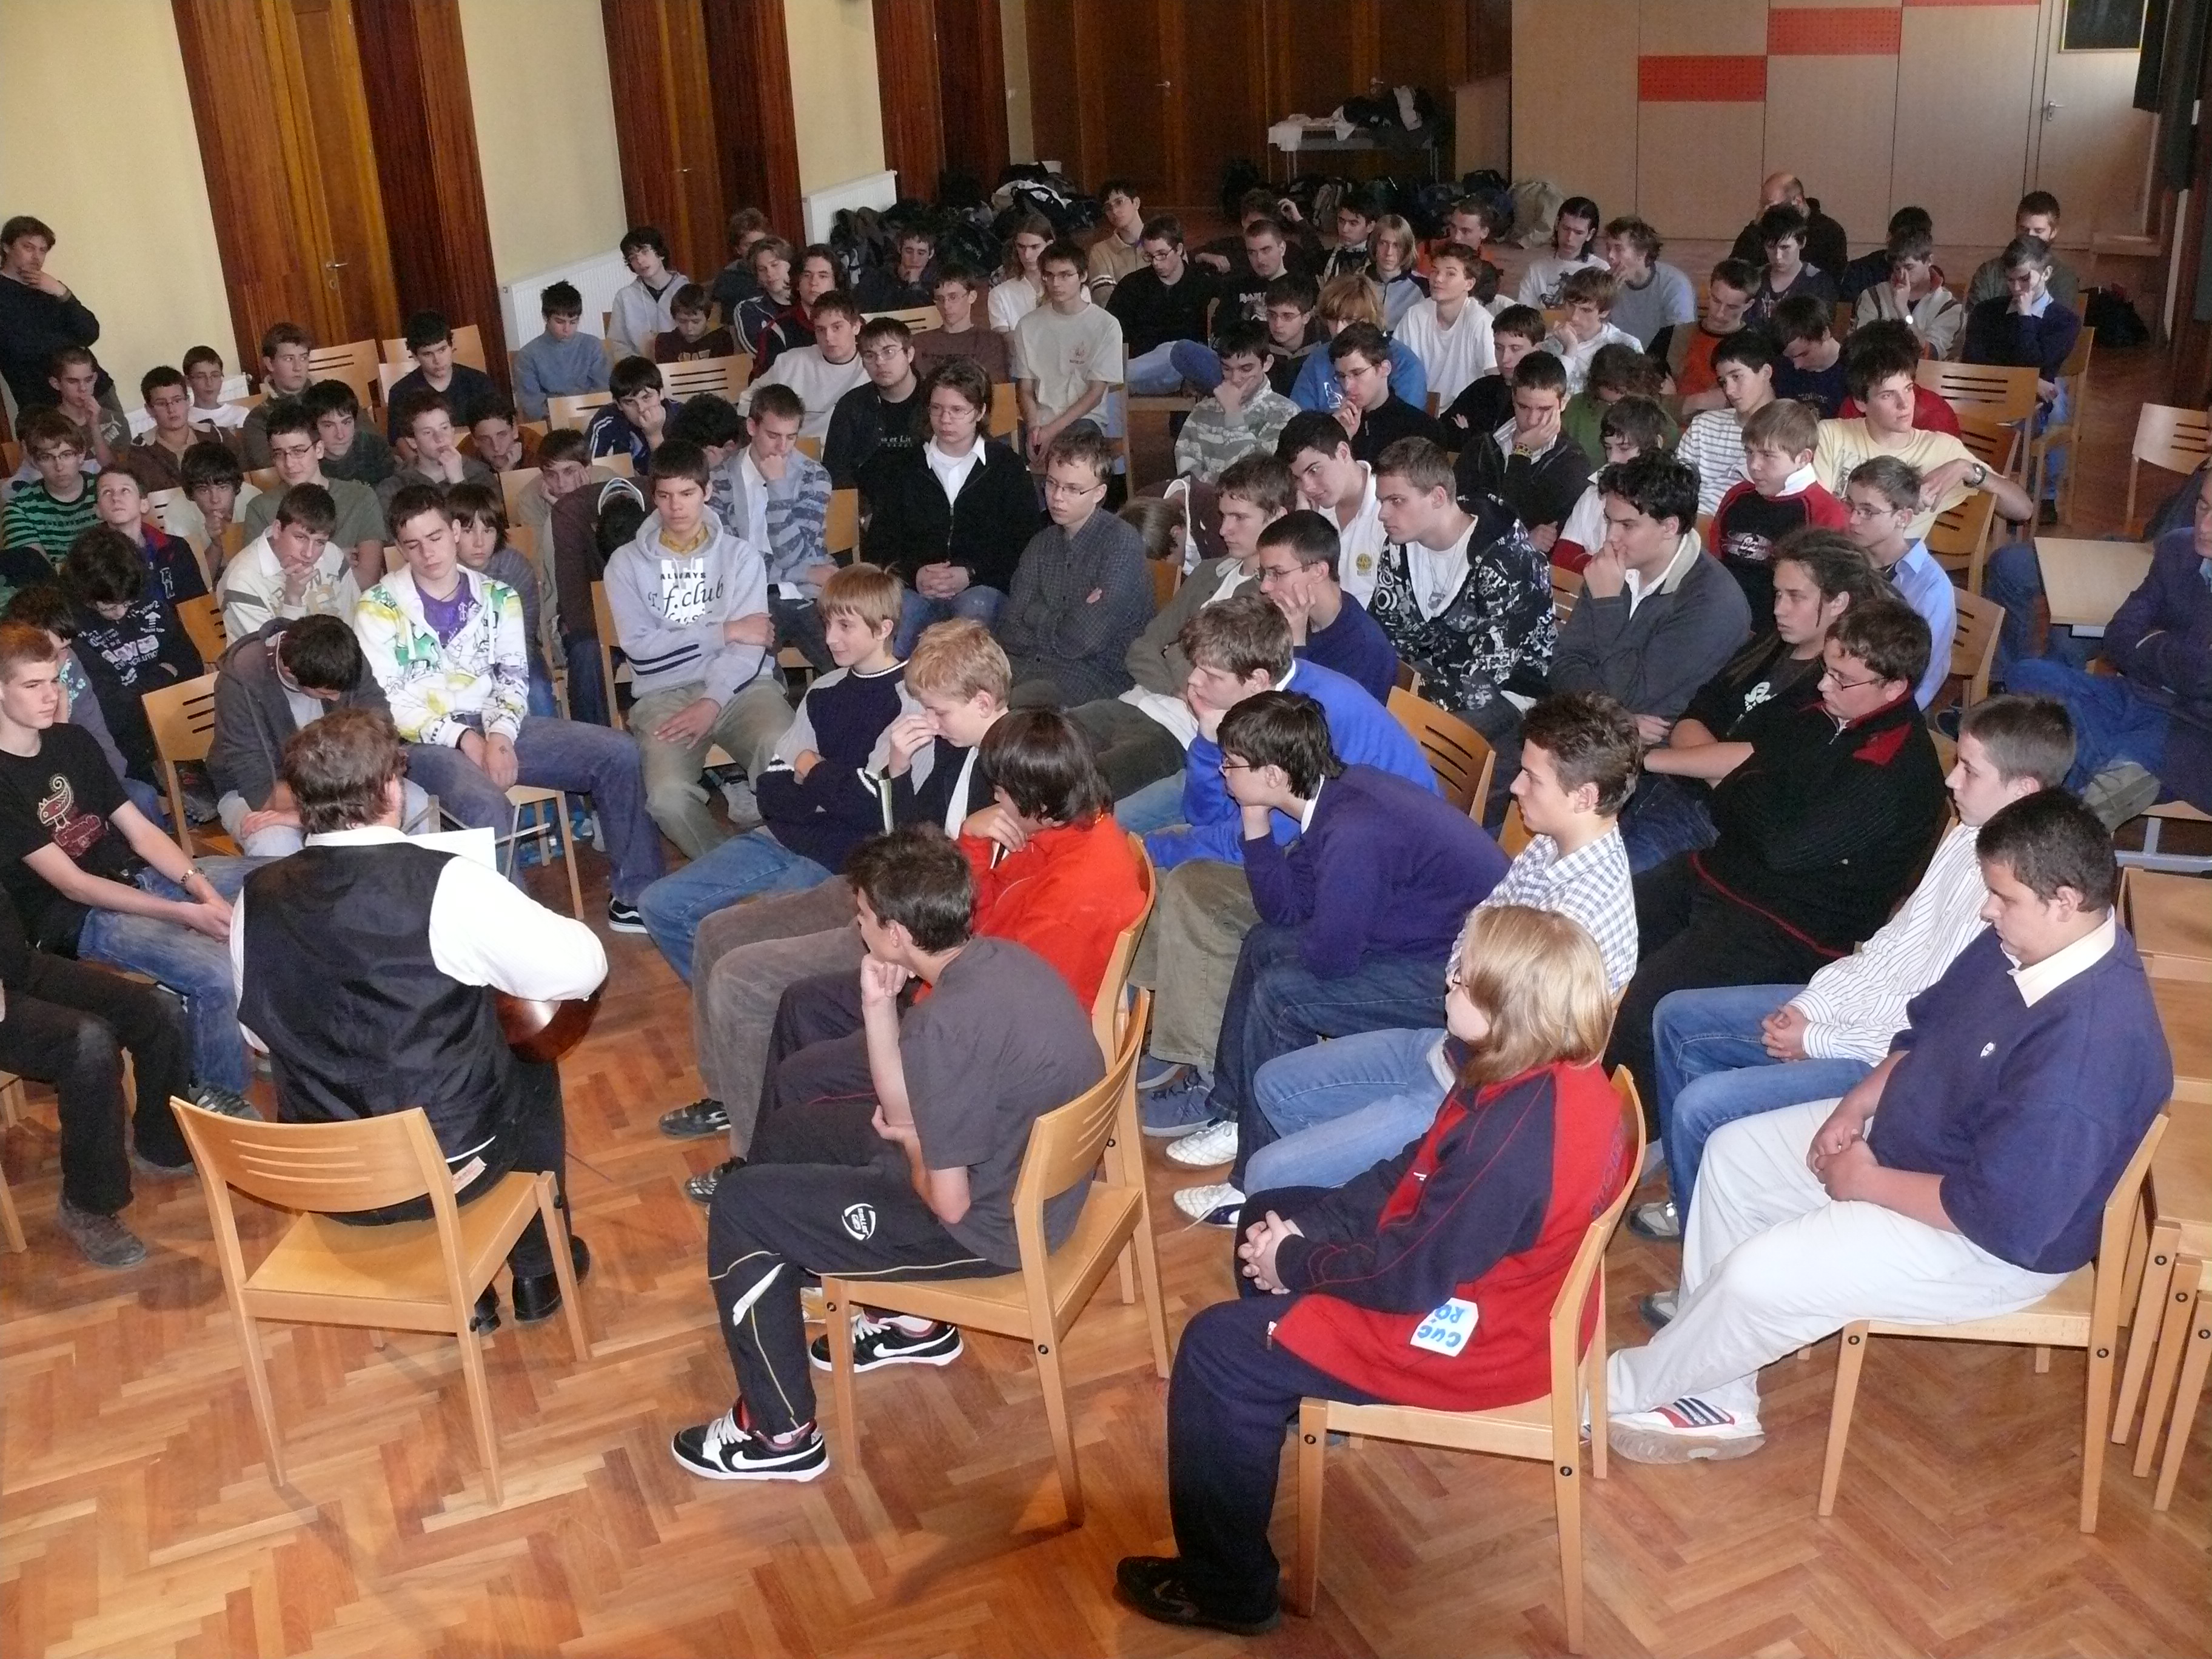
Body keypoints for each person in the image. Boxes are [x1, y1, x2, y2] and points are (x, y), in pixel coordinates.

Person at [1606, 790, 2168, 1464]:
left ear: (2065, 900)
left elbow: (2003, 1216)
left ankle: (1607, 1393)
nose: (1987, 910)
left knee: (1757, 1277)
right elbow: (1923, 1032)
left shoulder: (2090, 1048)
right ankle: (1716, 1396)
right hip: (1907, 1151)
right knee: (1734, 1155)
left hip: (1979, 1242)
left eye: (2002, 897)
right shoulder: (2025, 945)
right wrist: (1854, 1107)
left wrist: (1867, 1182)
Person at [1114, 902, 1630, 1637]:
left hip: (1480, 1339)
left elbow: (1406, 1279)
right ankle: (1285, 1394)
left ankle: (1228, 1590)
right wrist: (1304, 1232)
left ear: (1506, 1007)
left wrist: (1296, 1260)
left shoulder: (1510, 1142)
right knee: (1270, 1213)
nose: (1448, 981)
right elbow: (1412, 1170)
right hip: (1498, 1288)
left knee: (1216, 1350)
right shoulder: (1526, 1070)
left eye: (1463, 977)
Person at [669, 825, 1104, 1483]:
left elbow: (948, 1200)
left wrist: (916, 1144)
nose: (858, 924)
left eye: (864, 915)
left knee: (740, 1207)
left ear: (897, 933)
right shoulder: (1005, 963)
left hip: (986, 1231)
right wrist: (878, 1005)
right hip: (1024, 1185)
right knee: (791, 1132)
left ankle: (779, 1433)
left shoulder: (943, 1025)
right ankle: (906, 1322)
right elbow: (903, 1112)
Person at [1629, 694, 2073, 1264]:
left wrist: (1817, 1039)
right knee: (1677, 1017)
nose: (1951, 780)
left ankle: (1715, 1256)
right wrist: (1814, 1006)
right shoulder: (1969, 833)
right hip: (1857, 1021)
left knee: (1703, 1106)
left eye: (1970, 769)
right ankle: (1701, 1204)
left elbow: (1928, 1027)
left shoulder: (2017, 898)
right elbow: (1892, 948)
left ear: (2024, 791)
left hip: (1889, 1064)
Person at [232, 706, 603, 1328]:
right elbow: (582, 969)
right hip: (447, 1168)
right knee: (527, 1059)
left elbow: (258, 1036)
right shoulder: (449, 883)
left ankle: (468, 1288)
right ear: (390, 789)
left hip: (327, 1178)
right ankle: (540, 1268)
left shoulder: (255, 897)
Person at [1239, 693, 1641, 1198]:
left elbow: (1522, 1056)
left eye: (1532, 778)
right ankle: (1334, 1195)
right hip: (1449, 1048)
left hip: (1471, 1093)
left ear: (1584, 797)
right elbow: (1475, 929)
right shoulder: (1551, 845)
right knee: (1273, 1085)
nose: (1516, 787)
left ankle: (1335, 1204)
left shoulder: (1580, 916)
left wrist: (1461, 984)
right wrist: (1463, 979)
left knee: (1267, 1174)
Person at [662, 622, 1012, 1186]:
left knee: (741, 977)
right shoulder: (956, 745)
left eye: (938, 711)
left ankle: (753, 1156)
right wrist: (899, 771)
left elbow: (956, 894)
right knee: (716, 933)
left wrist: (939, 843)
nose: (930, 722)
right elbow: (909, 834)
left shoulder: (1010, 767)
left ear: (984, 702)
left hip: (904, 921)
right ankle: (730, 1095)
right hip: (880, 887)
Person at [1159, 691, 1510, 1224]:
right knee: (1263, 944)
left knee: (1281, 996)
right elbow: (1283, 912)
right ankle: (1236, 1112)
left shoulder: (1353, 831)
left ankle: (1253, 1187)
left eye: (1231, 764)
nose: (1222, 772)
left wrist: (1314, 935)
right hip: (1415, 939)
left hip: (1463, 979)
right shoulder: (1332, 798)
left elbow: (1330, 960)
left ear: (1274, 775)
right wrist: (1253, 818)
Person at [745, 712, 1147, 1165]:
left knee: (801, 1079)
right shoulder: (1067, 829)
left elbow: (1000, 1006)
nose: (994, 797)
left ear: (1036, 800)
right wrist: (973, 839)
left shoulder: (1073, 895)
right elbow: (976, 913)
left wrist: (914, 983)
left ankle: (806, 1176)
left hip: (971, 1034)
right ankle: (777, 1166)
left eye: (1001, 790)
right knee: (802, 1003)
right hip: (959, 982)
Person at [1606, 597, 1949, 1115]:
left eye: (1841, 679)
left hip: (1788, 928)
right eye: (1827, 669)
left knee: (1644, 1006)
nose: (1823, 685)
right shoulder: (1821, 714)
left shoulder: (1895, 773)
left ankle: (1625, 1128)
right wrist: (1750, 789)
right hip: (1718, 872)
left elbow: (1783, 847)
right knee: (1592, 936)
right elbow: (1744, 771)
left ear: (1894, 688)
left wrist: (1741, 787)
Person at [1130, 595, 1437, 1124]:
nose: (1193, 683)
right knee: (1160, 854)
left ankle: (1209, 1074)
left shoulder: (1309, 719)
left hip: (1368, 883)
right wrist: (1207, 741)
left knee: (1194, 888)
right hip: (1316, 849)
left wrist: (1160, 848)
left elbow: (1257, 839)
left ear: (1255, 680)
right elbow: (1208, 813)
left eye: (1210, 675)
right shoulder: (1260, 703)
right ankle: (1173, 1029)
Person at [356, 485, 663, 930]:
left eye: (436, 537)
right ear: (400, 549)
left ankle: (636, 897)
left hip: (498, 724)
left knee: (619, 752)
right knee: (484, 803)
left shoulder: (499, 596)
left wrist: (499, 735)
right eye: (413, 544)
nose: (428, 553)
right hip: (423, 742)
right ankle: (515, 932)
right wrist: (466, 739)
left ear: (456, 530)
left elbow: (513, 676)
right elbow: (392, 700)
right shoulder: (378, 606)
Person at [0, 620, 254, 1110]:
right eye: (33, 685)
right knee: (216, 972)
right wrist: (186, 912)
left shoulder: (72, 741)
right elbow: (74, 885)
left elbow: (141, 831)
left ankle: (250, 1026)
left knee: (277, 879)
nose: (51, 696)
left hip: (134, 876)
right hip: (77, 916)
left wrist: (200, 887)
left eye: (54, 680)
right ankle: (218, 1096)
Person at [633, 563, 910, 974]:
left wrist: (810, 772)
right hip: (784, 836)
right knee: (659, 905)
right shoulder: (823, 690)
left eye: (845, 626)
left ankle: (750, 1001)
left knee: (744, 942)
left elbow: (872, 809)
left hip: (845, 859)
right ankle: (733, 1006)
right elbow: (772, 789)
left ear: (884, 628)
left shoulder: (909, 696)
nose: (830, 638)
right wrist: (821, 782)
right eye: (827, 623)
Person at [1622, 530, 1880, 873]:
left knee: (1610, 879)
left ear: (1839, 602)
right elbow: (1697, 713)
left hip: (1712, 822)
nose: (1778, 609)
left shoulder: (1835, 688)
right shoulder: (1770, 645)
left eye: (1796, 597)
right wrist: (1715, 767)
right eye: (1778, 594)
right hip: (1672, 785)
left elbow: (1761, 764)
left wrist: (1651, 759)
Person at [1067, 453, 1292, 800]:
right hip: (1137, 700)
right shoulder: (1208, 573)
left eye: (1239, 518)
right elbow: (1143, 647)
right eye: (1223, 515)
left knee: (1082, 785)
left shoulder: (1271, 598)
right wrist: (1177, 683)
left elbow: (1228, 687)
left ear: (1277, 517)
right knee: (1042, 744)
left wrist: (1173, 655)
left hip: (1179, 732)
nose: (1224, 529)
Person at [603, 441, 789, 860]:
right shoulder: (626, 564)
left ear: (707, 492)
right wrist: (724, 631)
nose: (676, 507)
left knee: (785, 751)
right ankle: (727, 867)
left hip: (743, 688)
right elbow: (643, 652)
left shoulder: (740, 556)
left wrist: (713, 699)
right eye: (665, 495)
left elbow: (753, 646)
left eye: (687, 493)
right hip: (663, 695)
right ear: (653, 497)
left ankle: (791, 855)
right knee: (667, 798)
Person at [0, 876, 195, 1267]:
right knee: (88, 1044)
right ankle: (88, 1203)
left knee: (160, 1010)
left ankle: (161, 1143)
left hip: (16, 966)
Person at [2007, 478, 2212, 820]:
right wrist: (2178, 656)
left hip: (2194, 733)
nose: (2204, 526)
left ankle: (2070, 811)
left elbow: (2203, 677)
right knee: (2025, 674)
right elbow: (2118, 636)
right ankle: (2101, 770)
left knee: (2116, 767)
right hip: (2137, 695)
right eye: (2203, 506)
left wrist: (2151, 643)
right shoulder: (2177, 548)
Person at [1549, 452, 1752, 731]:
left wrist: (1607, 604)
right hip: (1598, 728)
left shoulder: (1713, 603)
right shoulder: (1613, 567)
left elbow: (1633, 696)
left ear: (1669, 527)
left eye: (1627, 526)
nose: (1610, 537)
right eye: (1609, 521)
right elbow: (1564, 664)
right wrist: (1615, 719)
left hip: (1658, 750)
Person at [1373, 434, 1554, 746]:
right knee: (1362, 707)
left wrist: (1408, 699)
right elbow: (1389, 632)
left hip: (1510, 693)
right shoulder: (1399, 547)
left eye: (1397, 501)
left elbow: (1489, 677)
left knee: (1404, 738)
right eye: (1381, 502)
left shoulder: (1508, 561)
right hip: (1435, 673)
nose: (1382, 514)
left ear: (1438, 497)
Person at [207, 612, 426, 858]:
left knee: (416, 804)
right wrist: (330, 813)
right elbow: (262, 794)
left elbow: (381, 735)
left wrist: (309, 816)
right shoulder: (241, 683)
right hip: (265, 793)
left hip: (345, 786)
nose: (337, 698)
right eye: (325, 693)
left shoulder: (342, 656)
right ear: (290, 672)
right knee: (274, 842)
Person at [860, 361, 1041, 654]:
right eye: (936, 409)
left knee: (971, 621)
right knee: (897, 629)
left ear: (980, 412)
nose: (945, 420)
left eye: (958, 410)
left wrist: (971, 573)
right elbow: (879, 545)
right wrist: (914, 574)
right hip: (916, 589)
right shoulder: (904, 468)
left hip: (982, 587)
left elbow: (1024, 544)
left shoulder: (1007, 467)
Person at [1813, 329, 2033, 542]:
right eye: (1888, 395)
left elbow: (2023, 510)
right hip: (1833, 555)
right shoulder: (1832, 434)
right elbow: (1814, 515)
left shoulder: (1940, 448)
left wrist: (1969, 470)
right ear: (1861, 403)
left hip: (1896, 565)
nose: (1904, 404)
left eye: (1908, 389)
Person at [993, 426, 1151, 706]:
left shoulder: (1121, 544)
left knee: (1004, 709)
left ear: (1099, 493)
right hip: (1030, 665)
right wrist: (1066, 620)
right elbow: (1010, 629)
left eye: (1073, 489)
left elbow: (1085, 641)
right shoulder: (1041, 543)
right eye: (1052, 484)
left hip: (1095, 677)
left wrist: (1036, 614)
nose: (1056, 497)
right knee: (962, 688)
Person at [63, 526, 202, 791]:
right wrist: (164, 673)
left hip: (176, 723)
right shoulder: (72, 628)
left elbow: (190, 663)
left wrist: (140, 690)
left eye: (127, 603)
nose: (121, 613)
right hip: (127, 746)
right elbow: (112, 709)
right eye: (109, 607)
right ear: (85, 597)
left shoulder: (141, 596)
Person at [712, 381, 834, 672]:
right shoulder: (718, 481)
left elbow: (793, 553)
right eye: (773, 435)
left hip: (808, 595)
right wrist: (807, 572)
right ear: (752, 427)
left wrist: (778, 487)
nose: (783, 447)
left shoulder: (814, 476)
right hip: (748, 599)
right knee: (754, 671)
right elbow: (732, 563)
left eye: (791, 437)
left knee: (849, 659)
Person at [1707, 395, 1849, 620]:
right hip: (1721, 613)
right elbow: (1714, 565)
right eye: (1749, 452)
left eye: (1768, 455)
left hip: (1778, 626)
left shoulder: (1826, 512)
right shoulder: (1736, 496)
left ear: (1803, 458)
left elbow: (1822, 593)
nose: (1754, 465)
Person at [1840, 455, 1956, 709]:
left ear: (1903, 517)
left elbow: (1926, 678)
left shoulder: (1931, 588)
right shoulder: (1843, 559)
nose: (1853, 520)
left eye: (1868, 512)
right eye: (1850, 506)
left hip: (1885, 707)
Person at [239, 398, 387, 589]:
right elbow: (262, 583)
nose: (289, 463)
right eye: (279, 454)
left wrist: (297, 567)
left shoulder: (360, 498)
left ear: (319, 449)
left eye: (298, 451)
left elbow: (367, 580)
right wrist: (334, 560)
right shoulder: (260, 508)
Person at [1452, 352, 1590, 557]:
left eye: (1544, 409)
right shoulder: (1481, 447)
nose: (1533, 420)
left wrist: (1521, 454)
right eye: (1524, 407)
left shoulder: (1572, 461)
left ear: (1563, 403)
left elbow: (1515, 521)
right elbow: (1456, 512)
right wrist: (1524, 537)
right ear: (1513, 399)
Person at [1253, 509, 1398, 700]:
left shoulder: (1364, 649)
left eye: (1277, 574)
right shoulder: (1292, 615)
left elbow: (1304, 715)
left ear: (1319, 572)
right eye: (1265, 574)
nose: (1265, 586)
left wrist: (1296, 643)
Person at [447, 480, 557, 716]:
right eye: (468, 531)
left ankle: (551, 737)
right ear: (452, 532)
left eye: (488, 531)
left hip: (515, 652)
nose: (479, 542)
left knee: (537, 690)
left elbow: (524, 633)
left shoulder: (515, 567)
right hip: (457, 663)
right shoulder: (441, 573)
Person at [1013, 239, 1125, 463]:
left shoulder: (1106, 325)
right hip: (1039, 420)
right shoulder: (1027, 325)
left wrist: (1050, 431)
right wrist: (1035, 428)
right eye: (1049, 275)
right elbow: (1025, 389)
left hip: (1085, 419)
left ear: (1083, 276)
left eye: (1065, 275)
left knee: (1069, 450)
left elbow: (1095, 394)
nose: (1056, 283)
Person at [0, 216, 110, 415]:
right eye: (28, 247)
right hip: (45, 406)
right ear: (6, 247)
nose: (37, 257)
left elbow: (90, 334)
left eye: (43, 250)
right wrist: (71, 344)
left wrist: (62, 292)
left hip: (97, 391)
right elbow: (21, 348)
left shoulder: (50, 287)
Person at [220, 483, 358, 640]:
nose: (309, 553)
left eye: (320, 542)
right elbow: (274, 653)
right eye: (300, 537)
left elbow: (355, 623)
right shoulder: (242, 582)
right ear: (278, 529)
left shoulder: (333, 555)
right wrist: (293, 600)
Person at [1278, 411, 1389, 605]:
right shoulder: (1310, 509)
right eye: (1298, 479)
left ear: (1343, 453)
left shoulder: (1389, 509)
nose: (1308, 487)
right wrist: (1304, 524)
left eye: (1314, 470)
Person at [1171, 320, 1298, 483]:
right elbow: (1186, 471)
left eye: (1246, 369)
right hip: (1203, 498)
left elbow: (1262, 479)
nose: (1235, 378)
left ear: (1267, 364)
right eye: (1227, 369)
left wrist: (1233, 414)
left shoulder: (1285, 413)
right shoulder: (1203, 410)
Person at [1553, 395, 1671, 571]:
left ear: (1656, 444)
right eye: (1609, 448)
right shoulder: (1593, 495)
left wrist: (1587, 560)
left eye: (1624, 448)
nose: (1613, 459)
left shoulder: (1666, 503)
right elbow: (1562, 562)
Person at [1110, 215, 1221, 395]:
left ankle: (1108, 378)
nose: (1156, 263)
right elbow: (1112, 333)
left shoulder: (1203, 284)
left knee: (1178, 350)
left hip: (1186, 375)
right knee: (1171, 352)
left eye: (1162, 254)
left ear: (1179, 249)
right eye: (1149, 256)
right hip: (1142, 377)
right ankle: (1113, 377)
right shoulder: (1132, 285)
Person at [1287, 277, 1428, 415]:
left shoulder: (1405, 364)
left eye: (1349, 320)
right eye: (1333, 320)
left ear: (1370, 319)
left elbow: (1406, 421)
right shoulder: (1318, 358)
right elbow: (1298, 419)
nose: (1339, 330)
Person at [1675, 328, 1778, 518]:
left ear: (1765, 373)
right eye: (1723, 382)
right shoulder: (1703, 426)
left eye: (1736, 377)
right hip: (1686, 523)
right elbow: (1676, 491)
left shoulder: (1789, 431)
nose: (1729, 390)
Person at [742, 290, 866, 442]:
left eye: (837, 328)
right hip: (795, 449)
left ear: (856, 327)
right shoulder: (791, 362)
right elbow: (748, 401)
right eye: (821, 330)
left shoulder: (873, 365)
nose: (828, 337)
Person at [823, 315, 926, 489]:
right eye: (870, 356)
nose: (879, 362)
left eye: (889, 352)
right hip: (866, 501)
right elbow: (835, 471)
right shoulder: (851, 405)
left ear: (909, 354)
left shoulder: (934, 400)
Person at [1395, 241, 1498, 413]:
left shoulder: (1481, 322)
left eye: (1450, 273)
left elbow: (1495, 378)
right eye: (1435, 271)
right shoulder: (1415, 315)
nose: (1438, 279)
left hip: (1463, 414)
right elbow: (1397, 367)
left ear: (1469, 284)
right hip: (1417, 409)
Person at [380, 312, 498, 446]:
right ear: (414, 355)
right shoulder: (401, 392)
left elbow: (495, 426)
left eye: (442, 350)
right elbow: (399, 440)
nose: (437, 360)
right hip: (426, 458)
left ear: (452, 346)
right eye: (427, 354)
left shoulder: (479, 382)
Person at [1436, 305, 1543, 451]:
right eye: (1499, 348)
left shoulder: (1541, 400)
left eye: (1515, 349)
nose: (1505, 358)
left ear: (1537, 350)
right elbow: (1443, 430)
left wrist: (1467, 434)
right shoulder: (1482, 388)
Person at [375, 393, 495, 521]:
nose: (440, 438)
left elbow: (487, 524)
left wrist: (458, 481)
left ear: (453, 431)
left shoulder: (480, 474)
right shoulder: (394, 488)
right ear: (412, 441)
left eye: (444, 428)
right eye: (428, 432)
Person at [97, 468, 204, 612]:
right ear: (98, 510)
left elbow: (197, 606)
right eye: (107, 492)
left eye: (125, 490)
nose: (116, 498)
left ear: (144, 504)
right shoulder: (89, 558)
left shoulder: (175, 548)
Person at [1853, 222, 1964, 361]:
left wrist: (1904, 311)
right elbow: (1859, 351)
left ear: (1929, 260)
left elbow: (1928, 357)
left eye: (1909, 267)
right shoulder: (1872, 296)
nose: (1902, 275)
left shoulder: (1949, 307)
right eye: (1897, 268)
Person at [3, 408, 98, 566]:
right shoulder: (19, 509)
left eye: (66, 455)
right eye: (46, 457)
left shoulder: (105, 491)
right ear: (34, 462)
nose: (59, 466)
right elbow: (35, 573)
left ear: (81, 455)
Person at [1664, 260, 1758, 415]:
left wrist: (1675, 402)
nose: (1720, 313)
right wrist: (1696, 402)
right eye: (1716, 301)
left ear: (1749, 305)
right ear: (1709, 291)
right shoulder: (1671, 336)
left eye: (1732, 307)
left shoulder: (1756, 347)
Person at [1965, 191, 2081, 311]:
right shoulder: (1989, 272)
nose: (2030, 236)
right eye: (2024, 229)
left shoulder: (2064, 277)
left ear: (2054, 232)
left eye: (2038, 231)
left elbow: (2059, 320)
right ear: (2016, 228)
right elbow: (1974, 317)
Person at [515, 280, 610, 421]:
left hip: (593, 417)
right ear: (546, 317)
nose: (567, 329)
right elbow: (532, 403)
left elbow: (603, 389)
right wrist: (557, 417)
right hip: (552, 422)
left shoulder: (592, 346)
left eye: (573, 322)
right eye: (560, 322)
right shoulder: (527, 355)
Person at [1601, 216, 1696, 353]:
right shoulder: (1607, 281)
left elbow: (1681, 339)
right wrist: (1607, 297)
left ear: (1641, 253)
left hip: (1660, 359)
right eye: (1608, 248)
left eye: (1618, 248)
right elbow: (1596, 331)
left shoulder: (1674, 284)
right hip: (1620, 358)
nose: (1610, 255)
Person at [1727, 173, 1849, 278]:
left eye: (1772, 206)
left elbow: (1832, 281)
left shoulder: (1830, 232)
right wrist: (1756, 228)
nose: (1765, 212)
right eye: (1762, 205)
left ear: (1797, 201)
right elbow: (1735, 271)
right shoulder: (1759, 228)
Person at [1542, 267, 1641, 394]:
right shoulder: (1551, 344)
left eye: (1586, 310)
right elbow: (1545, 394)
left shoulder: (1627, 345)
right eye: (1570, 305)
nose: (1574, 317)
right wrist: (1570, 350)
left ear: (1604, 312)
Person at [911, 263, 1011, 383]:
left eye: (953, 297)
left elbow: (995, 388)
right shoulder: (920, 342)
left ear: (972, 297)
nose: (946, 305)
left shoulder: (990, 342)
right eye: (940, 299)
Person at [1743, 205, 1837, 327]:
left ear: (1802, 243)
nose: (1778, 256)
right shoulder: (1754, 279)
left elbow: (1818, 329)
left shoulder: (1819, 283)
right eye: (1771, 247)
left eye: (1785, 247)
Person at [238, 324, 315, 468]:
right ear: (270, 364)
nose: (298, 367)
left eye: (304, 358)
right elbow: (269, 467)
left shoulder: (332, 398)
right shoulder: (258, 419)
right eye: (289, 359)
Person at [609, 225, 689, 360]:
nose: (640, 261)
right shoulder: (625, 297)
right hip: (641, 369)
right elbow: (617, 344)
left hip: (682, 364)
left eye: (645, 252)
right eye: (633, 258)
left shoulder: (685, 289)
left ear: (660, 253)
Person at [585, 355, 679, 470]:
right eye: (630, 402)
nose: (641, 409)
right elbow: (591, 472)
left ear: (661, 393)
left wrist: (654, 436)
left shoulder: (682, 416)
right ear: (618, 404)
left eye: (646, 398)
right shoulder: (606, 422)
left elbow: (680, 476)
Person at [1516, 195, 1607, 308]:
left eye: (1578, 233)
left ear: (1590, 234)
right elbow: (1523, 312)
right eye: (1566, 229)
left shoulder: (1601, 271)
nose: (1569, 238)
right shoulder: (1536, 269)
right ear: (1557, 225)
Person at [303, 380, 395, 488]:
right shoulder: (305, 462)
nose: (341, 435)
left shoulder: (377, 448)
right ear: (313, 428)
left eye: (346, 422)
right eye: (329, 426)